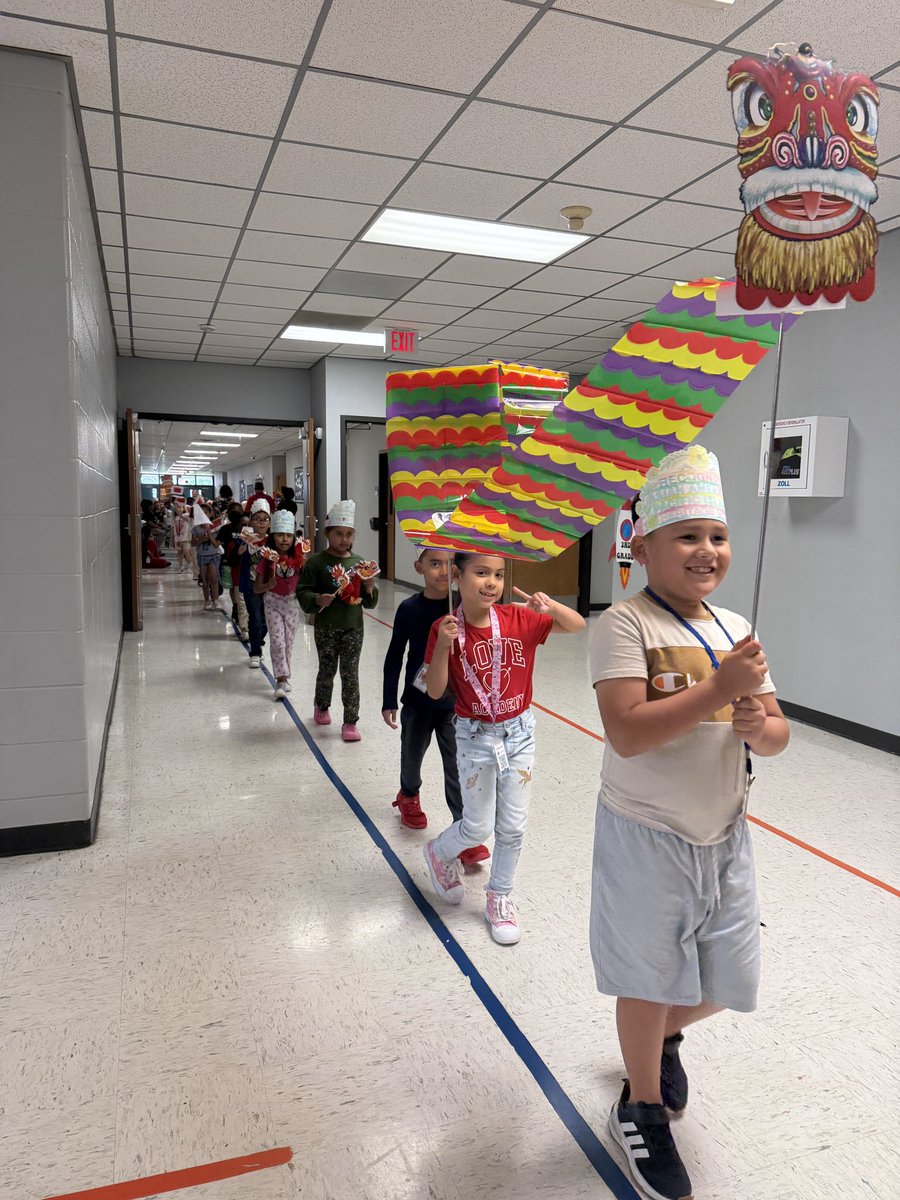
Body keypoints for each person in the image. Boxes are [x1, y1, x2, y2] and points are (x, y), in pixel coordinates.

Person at [589, 445, 789, 1200]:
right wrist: (718, 690)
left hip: (725, 832)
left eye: (717, 536)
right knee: (646, 976)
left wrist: (752, 721)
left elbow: (776, 732)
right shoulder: (625, 624)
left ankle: (665, 1036)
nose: (707, 551)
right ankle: (640, 1106)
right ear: (643, 548)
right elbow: (630, 732)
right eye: (687, 536)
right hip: (647, 831)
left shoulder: (735, 625)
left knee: (729, 977)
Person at [422, 553, 584, 945]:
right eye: (481, 574)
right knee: (476, 826)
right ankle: (440, 852)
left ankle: (499, 896)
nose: (492, 583)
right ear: (457, 577)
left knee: (512, 827)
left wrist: (550, 605)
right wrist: (443, 645)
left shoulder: (517, 618)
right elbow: (435, 689)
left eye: (498, 574)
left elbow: (576, 625)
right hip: (474, 737)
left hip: (520, 734)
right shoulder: (445, 627)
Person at [382, 547, 490, 867]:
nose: (442, 571)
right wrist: (389, 699)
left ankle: (463, 829)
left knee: (458, 765)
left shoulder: (465, 608)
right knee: (412, 755)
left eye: (448, 565)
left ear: (457, 572)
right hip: (417, 702)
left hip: (454, 703)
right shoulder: (409, 609)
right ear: (418, 567)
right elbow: (394, 656)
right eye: (433, 564)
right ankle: (408, 795)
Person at [297, 500, 378, 742]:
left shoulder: (360, 564)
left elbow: (369, 602)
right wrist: (316, 599)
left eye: (349, 535)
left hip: (353, 628)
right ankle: (321, 705)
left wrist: (370, 588)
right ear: (328, 534)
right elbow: (302, 592)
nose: (344, 539)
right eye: (339, 534)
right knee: (327, 670)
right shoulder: (316, 563)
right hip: (326, 629)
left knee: (350, 674)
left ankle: (350, 721)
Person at [254, 510, 306, 700]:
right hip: (273, 602)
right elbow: (257, 588)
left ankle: (285, 676)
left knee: (288, 643)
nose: (284, 539)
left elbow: (305, 583)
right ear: (272, 536)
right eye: (280, 535)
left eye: (288, 535)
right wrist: (269, 584)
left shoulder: (299, 559)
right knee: (277, 641)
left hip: (292, 604)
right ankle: (281, 680)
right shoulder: (266, 560)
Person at [236, 499, 271, 666]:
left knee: (266, 620)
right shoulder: (245, 539)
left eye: (265, 519)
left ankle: (258, 640)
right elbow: (232, 556)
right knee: (255, 618)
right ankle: (255, 652)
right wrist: (240, 552)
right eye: (258, 519)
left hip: (269, 585)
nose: (261, 523)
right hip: (251, 583)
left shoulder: (274, 541)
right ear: (251, 520)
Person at [191, 503, 221, 610]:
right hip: (202, 557)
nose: (203, 515)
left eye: (206, 513)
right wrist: (201, 539)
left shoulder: (215, 526)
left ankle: (216, 600)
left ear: (211, 513)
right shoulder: (196, 528)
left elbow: (217, 543)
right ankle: (206, 600)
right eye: (201, 513)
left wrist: (209, 536)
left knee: (214, 578)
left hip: (214, 556)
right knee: (204, 579)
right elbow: (193, 543)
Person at [173, 502, 193, 573]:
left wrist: (176, 507)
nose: (179, 508)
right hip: (178, 538)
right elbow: (173, 528)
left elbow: (183, 514)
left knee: (187, 551)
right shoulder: (175, 518)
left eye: (180, 507)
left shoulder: (187, 516)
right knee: (179, 552)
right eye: (178, 507)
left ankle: (191, 564)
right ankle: (181, 567)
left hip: (186, 538)